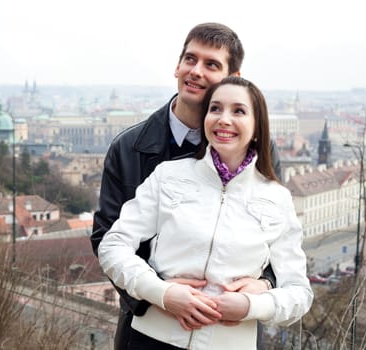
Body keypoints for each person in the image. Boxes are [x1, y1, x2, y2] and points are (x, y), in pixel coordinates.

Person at [91, 23, 280, 349]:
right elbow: (107, 237)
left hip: (228, 330)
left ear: (232, 76)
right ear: (177, 66)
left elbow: (276, 235)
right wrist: (157, 295)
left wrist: (264, 285)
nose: (196, 71)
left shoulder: (259, 150)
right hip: (149, 330)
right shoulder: (129, 148)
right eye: (190, 59)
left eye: (211, 64)